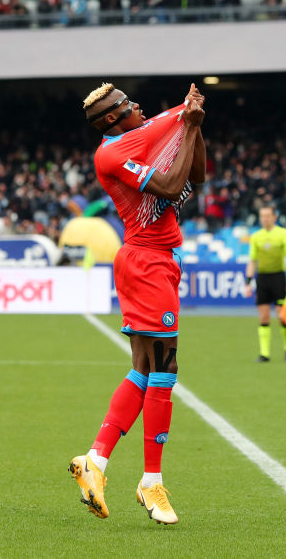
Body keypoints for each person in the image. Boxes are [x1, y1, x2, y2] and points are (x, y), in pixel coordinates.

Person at [69, 81, 207, 526]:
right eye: (128, 105)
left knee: (146, 369)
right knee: (165, 368)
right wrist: (185, 125)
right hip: (146, 262)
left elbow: (197, 177)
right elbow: (169, 187)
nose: (138, 106)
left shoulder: (141, 140)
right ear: (112, 118)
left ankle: (96, 461)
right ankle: (151, 481)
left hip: (158, 261)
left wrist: (193, 127)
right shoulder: (112, 153)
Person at [245, 205, 286, 362]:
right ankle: (264, 354)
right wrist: (248, 282)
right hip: (262, 278)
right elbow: (252, 261)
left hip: (278, 278)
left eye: (267, 216)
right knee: (264, 316)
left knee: (282, 315)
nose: (264, 219)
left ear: (274, 217)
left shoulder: (284, 234)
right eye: (262, 216)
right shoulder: (256, 237)